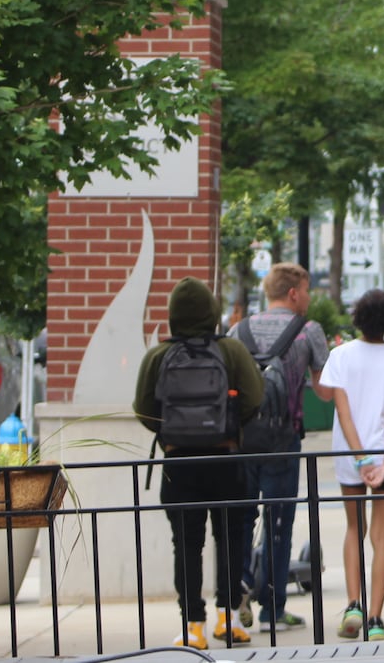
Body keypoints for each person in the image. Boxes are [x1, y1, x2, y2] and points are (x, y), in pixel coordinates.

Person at [134, 278, 263, 649]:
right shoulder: (231, 351)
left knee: (187, 545)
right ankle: (229, 619)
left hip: (179, 464)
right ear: (211, 311)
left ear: (173, 314)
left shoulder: (158, 357)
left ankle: (193, 627)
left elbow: (143, 408)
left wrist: (173, 432)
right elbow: (255, 397)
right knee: (230, 538)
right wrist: (230, 425)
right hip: (225, 458)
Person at [314, 290, 384, 643]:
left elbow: (342, 412)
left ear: (357, 317)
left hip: (349, 454)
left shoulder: (340, 356)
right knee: (381, 534)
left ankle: (353, 604)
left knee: (352, 528)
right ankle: (376, 618)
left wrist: (360, 459)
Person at [231, 263, 330, 631]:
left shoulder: (238, 331)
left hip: (241, 441)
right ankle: (273, 611)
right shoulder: (308, 332)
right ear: (293, 293)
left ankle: (236, 591)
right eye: (306, 290)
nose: (309, 297)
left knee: (240, 517)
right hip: (283, 441)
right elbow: (324, 390)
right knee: (278, 523)